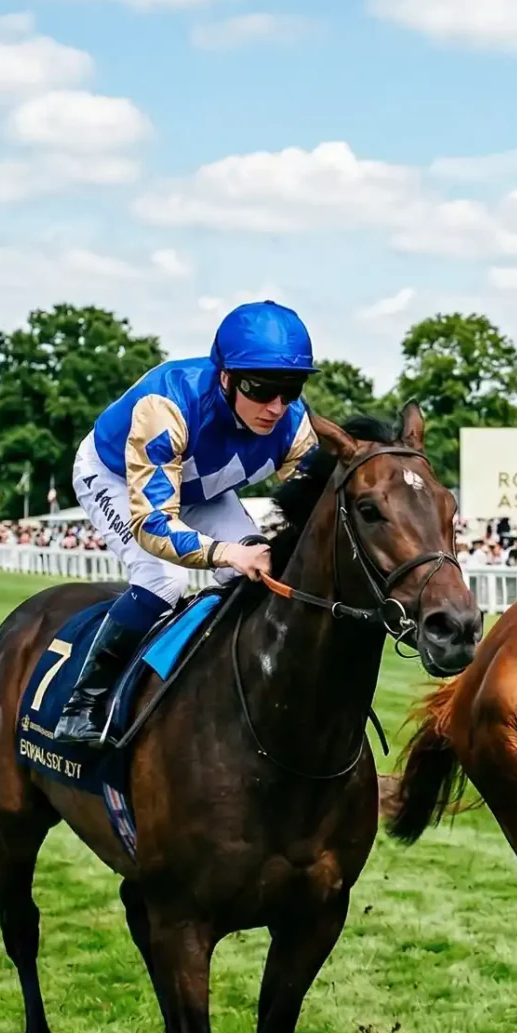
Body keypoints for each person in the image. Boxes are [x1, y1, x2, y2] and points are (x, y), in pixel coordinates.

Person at [52, 300, 317, 745]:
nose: (275, 407)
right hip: (118, 475)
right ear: (226, 377)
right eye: (261, 388)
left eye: (290, 389)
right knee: (164, 582)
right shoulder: (167, 406)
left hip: (200, 489)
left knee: (259, 570)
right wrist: (225, 551)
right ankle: (82, 703)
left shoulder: (295, 426)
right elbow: (154, 524)